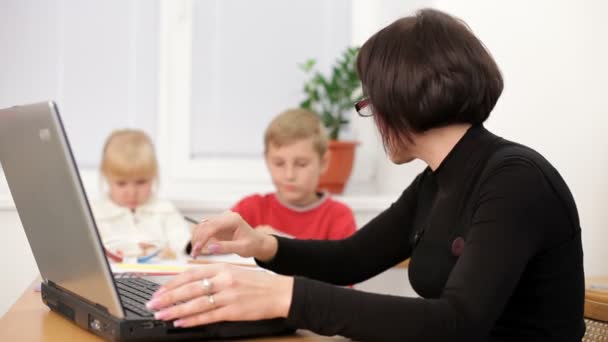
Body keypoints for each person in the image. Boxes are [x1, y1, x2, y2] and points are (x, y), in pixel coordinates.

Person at [146, 8, 585, 341]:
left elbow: (459, 323)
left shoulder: (512, 181)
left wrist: (285, 297)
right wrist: (263, 244)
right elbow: (352, 258)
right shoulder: (438, 180)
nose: (372, 120)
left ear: (401, 101)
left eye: (370, 105)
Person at [230, 108, 356, 241]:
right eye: (279, 163)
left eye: (301, 164)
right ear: (267, 160)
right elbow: (210, 242)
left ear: (323, 162)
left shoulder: (339, 217)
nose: (289, 175)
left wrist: (277, 244)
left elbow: (345, 262)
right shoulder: (250, 209)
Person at [92, 129, 191, 260]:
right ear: (106, 177)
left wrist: (194, 244)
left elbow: (181, 239)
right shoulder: (95, 212)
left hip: (158, 277)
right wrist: (136, 249)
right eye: (121, 183)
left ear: (153, 176)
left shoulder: (163, 209)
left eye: (141, 182)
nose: (132, 192)